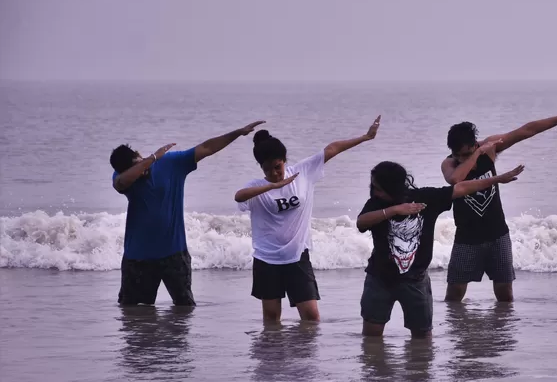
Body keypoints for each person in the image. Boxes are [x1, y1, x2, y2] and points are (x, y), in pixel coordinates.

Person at [441, 103, 557, 302]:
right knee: (454, 295)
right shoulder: (450, 163)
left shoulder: (489, 149)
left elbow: (526, 130)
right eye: (457, 155)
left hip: (497, 233)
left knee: (505, 293)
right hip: (467, 237)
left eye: (467, 153)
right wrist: (476, 154)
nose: (461, 159)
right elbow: (455, 180)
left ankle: (504, 330)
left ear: (474, 145)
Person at [234, 117, 381, 324]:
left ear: (285, 159)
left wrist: (366, 137)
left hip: (297, 257)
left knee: (311, 317)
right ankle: (272, 356)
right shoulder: (256, 188)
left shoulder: (303, 172)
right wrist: (272, 186)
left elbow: (332, 149)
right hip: (267, 260)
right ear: (260, 167)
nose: (275, 173)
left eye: (278, 166)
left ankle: (304, 356)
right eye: (268, 169)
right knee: (271, 318)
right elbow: (239, 196)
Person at [356, 160, 525, 338]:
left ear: (393, 187)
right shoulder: (375, 203)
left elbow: (462, 188)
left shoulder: (425, 198)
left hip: (415, 280)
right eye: (372, 186)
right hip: (379, 279)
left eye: (378, 187)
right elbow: (361, 222)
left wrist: (496, 179)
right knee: (371, 339)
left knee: (422, 339)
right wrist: (395, 210)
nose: (374, 191)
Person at [110, 120, 265, 307]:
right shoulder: (123, 177)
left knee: (184, 310)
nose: (142, 171)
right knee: (135, 315)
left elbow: (207, 148)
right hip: (138, 258)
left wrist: (237, 133)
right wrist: (150, 160)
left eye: (139, 163)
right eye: (135, 169)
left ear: (138, 155)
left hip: (174, 254)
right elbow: (120, 183)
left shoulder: (171, 163)